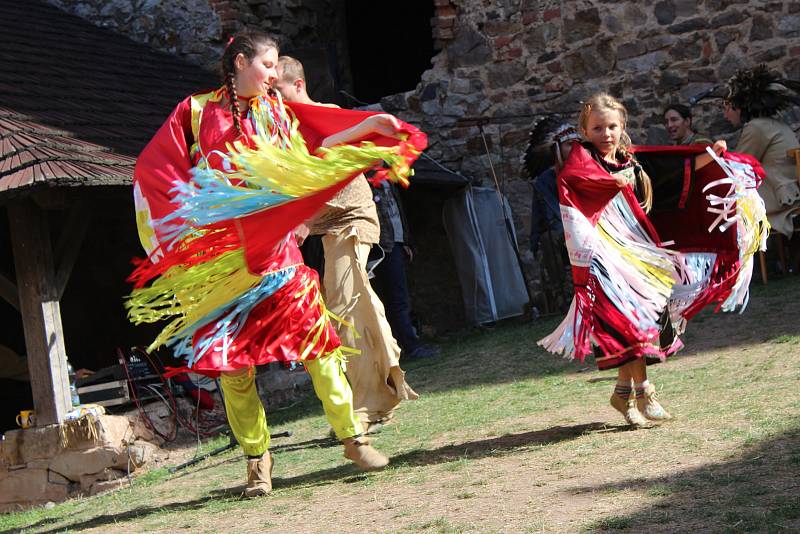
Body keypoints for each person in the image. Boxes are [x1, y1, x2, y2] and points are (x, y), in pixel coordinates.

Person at [127, 31, 426, 496]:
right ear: (240, 62)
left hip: (276, 255)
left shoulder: (275, 111)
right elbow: (155, 169)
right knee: (233, 369)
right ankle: (256, 462)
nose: (273, 74)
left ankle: (353, 437)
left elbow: (312, 151)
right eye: (267, 65)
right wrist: (190, 219)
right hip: (223, 261)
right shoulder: (195, 112)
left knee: (319, 348)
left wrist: (367, 128)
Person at [539, 93, 767, 428]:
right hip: (603, 259)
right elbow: (576, 179)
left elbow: (673, 171)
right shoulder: (581, 158)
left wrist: (712, 157)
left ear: (623, 126)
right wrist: (608, 182)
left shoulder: (631, 161)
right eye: (598, 127)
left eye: (612, 126)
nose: (606, 134)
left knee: (637, 322)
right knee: (629, 322)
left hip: (637, 254)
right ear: (585, 131)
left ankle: (623, 393)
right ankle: (642, 391)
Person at [274, 55, 418, 434]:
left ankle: (370, 403)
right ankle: (379, 396)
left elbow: (336, 170)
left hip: (352, 219)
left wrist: (303, 220)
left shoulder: (328, 114)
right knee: (344, 308)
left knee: (344, 303)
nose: (272, 100)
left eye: (278, 91)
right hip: (326, 229)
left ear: (298, 85)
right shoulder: (284, 130)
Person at [721, 65, 800, 238]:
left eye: (726, 107)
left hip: (781, 197)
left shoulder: (756, 127)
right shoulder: (771, 124)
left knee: (723, 208)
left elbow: (738, 167)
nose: (725, 114)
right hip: (788, 191)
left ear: (738, 106)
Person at [371, 180, 440, 360]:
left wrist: (405, 242)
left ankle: (406, 344)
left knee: (399, 297)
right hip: (383, 246)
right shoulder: (368, 181)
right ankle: (409, 347)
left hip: (396, 244)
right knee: (395, 299)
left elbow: (398, 214)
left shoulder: (388, 180)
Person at [524, 117, 580, 312]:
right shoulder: (546, 180)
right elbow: (545, 216)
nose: (573, 148)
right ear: (557, 149)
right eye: (568, 145)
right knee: (549, 240)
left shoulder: (587, 171)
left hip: (589, 226)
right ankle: (562, 296)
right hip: (561, 230)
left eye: (576, 144)